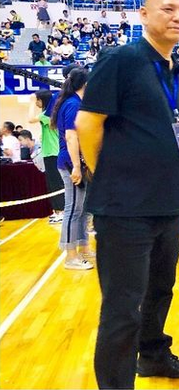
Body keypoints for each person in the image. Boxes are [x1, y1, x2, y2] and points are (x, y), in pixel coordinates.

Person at [75, 0, 179, 388]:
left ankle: (154, 357)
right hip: (125, 210)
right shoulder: (121, 59)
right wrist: (109, 175)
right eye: (169, 9)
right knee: (123, 308)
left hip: (168, 205)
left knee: (160, 291)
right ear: (143, 14)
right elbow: (88, 123)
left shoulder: (177, 73)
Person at [50, 68, 94, 270]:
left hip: (79, 163)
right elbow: (71, 136)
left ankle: (84, 247)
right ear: (85, 83)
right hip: (71, 163)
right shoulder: (73, 104)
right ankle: (71, 256)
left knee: (82, 209)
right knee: (73, 209)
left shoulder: (76, 103)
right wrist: (76, 166)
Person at [28, 90, 64, 223]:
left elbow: (30, 119)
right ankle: (58, 211)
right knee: (52, 183)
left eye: (37, 100)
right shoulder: (50, 114)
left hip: (53, 153)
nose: (36, 103)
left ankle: (61, 211)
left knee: (56, 183)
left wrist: (31, 102)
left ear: (42, 100)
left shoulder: (48, 115)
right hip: (50, 153)